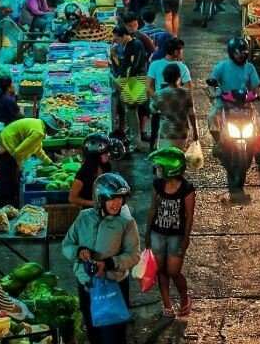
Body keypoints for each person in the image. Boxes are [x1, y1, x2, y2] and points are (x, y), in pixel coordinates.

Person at [62, 173, 140, 344]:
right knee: (93, 332)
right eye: (111, 198)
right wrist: (79, 251)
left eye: (120, 198)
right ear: (99, 199)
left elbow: (134, 255)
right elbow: (67, 244)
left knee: (113, 336)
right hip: (87, 286)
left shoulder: (126, 223)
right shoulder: (84, 218)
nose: (117, 203)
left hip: (114, 286)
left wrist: (109, 264)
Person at [146, 147, 195, 318]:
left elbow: (189, 216)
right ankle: (167, 303)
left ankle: (184, 297)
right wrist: (147, 233)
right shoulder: (157, 184)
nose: (158, 170)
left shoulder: (187, 189)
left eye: (161, 167)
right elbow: (152, 208)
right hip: (157, 233)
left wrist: (186, 238)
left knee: (174, 271)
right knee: (161, 271)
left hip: (176, 236)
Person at [207, 37, 260, 158]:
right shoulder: (222, 66)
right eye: (239, 54)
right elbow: (212, 82)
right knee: (212, 117)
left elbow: (256, 86)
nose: (242, 56)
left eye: (244, 54)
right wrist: (213, 92)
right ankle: (218, 142)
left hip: (245, 101)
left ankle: (258, 149)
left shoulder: (250, 68)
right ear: (232, 53)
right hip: (225, 100)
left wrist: (259, 93)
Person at [0, 116, 60, 206]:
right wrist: (19, 164)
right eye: (54, 131)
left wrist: (50, 163)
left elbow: (38, 150)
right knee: (10, 177)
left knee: (12, 175)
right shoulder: (39, 132)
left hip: (7, 137)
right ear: (50, 128)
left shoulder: (38, 126)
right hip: (9, 143)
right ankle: (8, 203)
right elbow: (19, 151)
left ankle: (10, 199)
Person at [109, 25, 148, 152]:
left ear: (124, 36)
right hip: (131, 80)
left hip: (135, 80)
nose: (117, 42)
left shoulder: (135, 45)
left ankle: (136, 141)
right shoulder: (127, 45)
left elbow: (132, 66)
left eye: (117, 39)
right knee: (130, 110)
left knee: (131, 110)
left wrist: (123, 81)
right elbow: (124, 65)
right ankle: (134, 139)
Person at [150, 64, 199, 149]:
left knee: (165, 159)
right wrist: (195, 131)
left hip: (166, 134)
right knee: (180, 158)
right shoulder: (186, 93)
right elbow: (192, 114)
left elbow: (153, 110)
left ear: (165, 77)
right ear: (179, 76)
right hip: (182, 134)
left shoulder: (159, 94)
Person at [69, 133, 113, 208]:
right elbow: (72, 198)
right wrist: (93, 203)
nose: (109, 155)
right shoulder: (84, 173)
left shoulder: (106, 167)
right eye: (105, 153)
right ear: (94, 155)